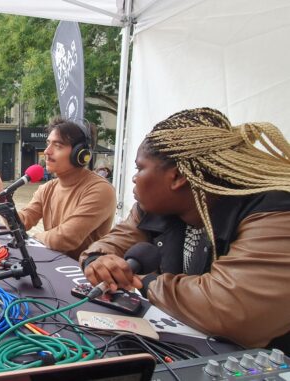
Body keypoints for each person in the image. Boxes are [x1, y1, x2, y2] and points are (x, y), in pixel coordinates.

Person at [80, 107, 290, 351]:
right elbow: (116, 240)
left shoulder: (274, 211)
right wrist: (97, 260)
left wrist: (145, 283)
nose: (135, 178)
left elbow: (232, 307)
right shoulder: (156, 207)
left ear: (178, 176)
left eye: (140, 168)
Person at [0, 117, 116, 259]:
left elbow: (67, 237)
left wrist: (31, 239)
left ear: (80, 154)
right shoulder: (47, 188)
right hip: (51, 264)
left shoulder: (101, 190)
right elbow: (19, 224)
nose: (47, 151)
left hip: (82, 274)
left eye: (58, 146)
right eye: (48, 143)